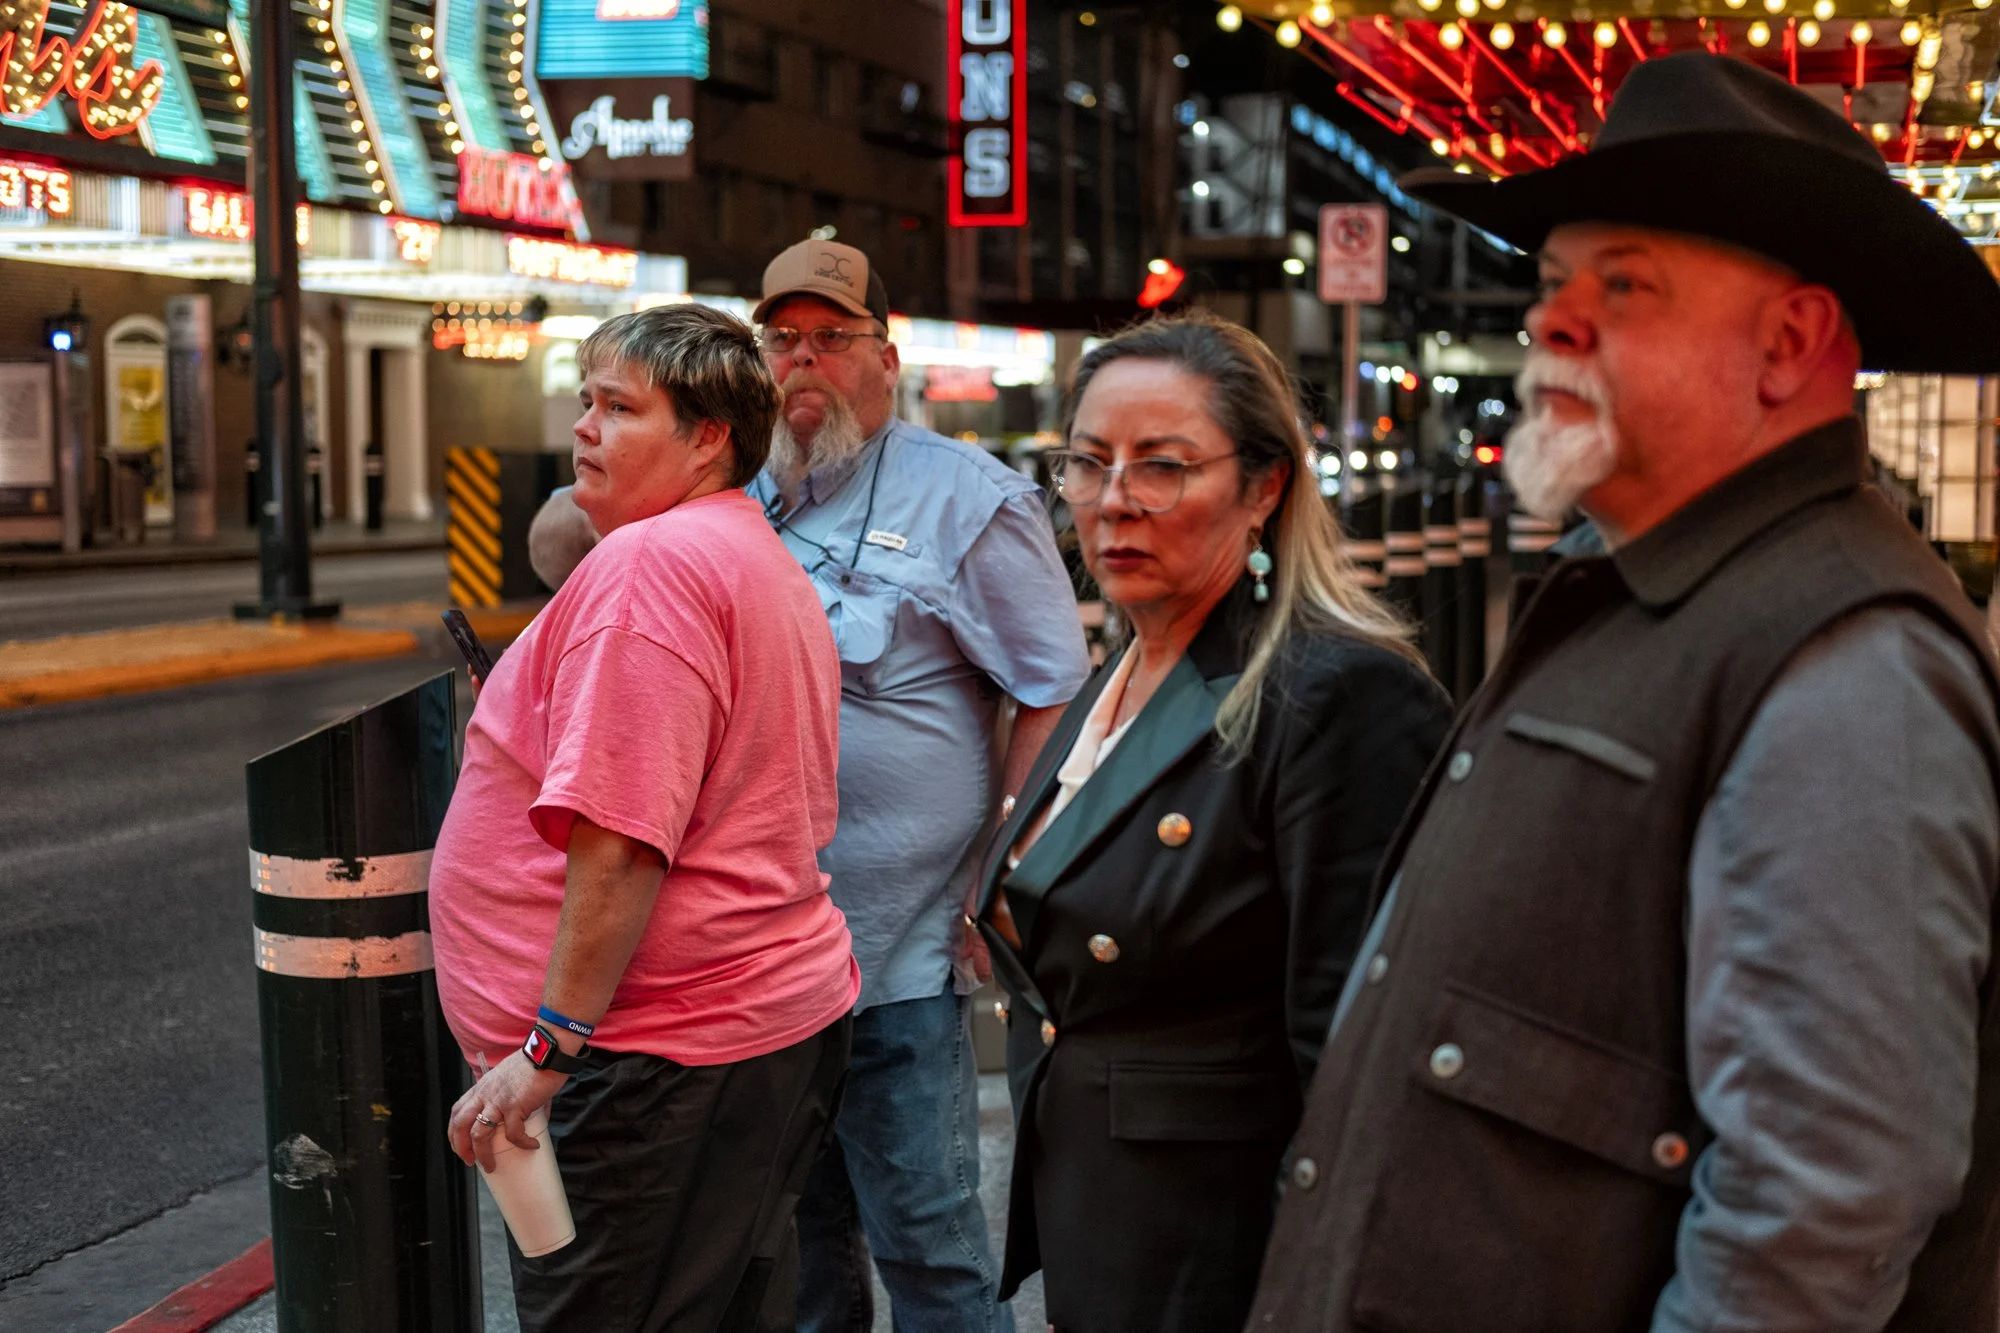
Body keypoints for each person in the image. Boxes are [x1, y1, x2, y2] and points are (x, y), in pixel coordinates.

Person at [1248, 53, 2000, 1333]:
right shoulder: (1636, 579)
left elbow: (1816, 1214)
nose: (1551, 322)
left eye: (1623, 284)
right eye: (1550, 283)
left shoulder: (1846, 651)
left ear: (1787, 344)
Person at [526, 238, 1091, 1332]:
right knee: (794, 1252)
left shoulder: (971, 499)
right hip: (755, 977)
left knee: (927, 1245)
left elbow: (1049, 692)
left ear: (886, 357)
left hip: (892, 953)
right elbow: (564, 542)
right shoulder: (720, 476)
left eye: (833, 338)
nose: (804, 360)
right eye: (782, 338)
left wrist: (1000, 874)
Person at [970, 311, 1452, 1333]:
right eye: (1088, 462)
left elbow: (1355, 1057)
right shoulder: (1124, 669)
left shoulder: (1334, 695)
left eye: (1163, 466)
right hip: (1102, 1225)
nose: (1114, 500)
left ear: (1263, 486)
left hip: (1226, 1260)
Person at [431, 303, 857, 1332]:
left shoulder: (650, 566)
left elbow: (621, 843)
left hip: (651, 1063)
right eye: (586, 401)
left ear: (708, 436)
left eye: (619, 407)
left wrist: (549, 1050)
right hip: (733, 1039)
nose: (585, 426)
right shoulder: (739, 547)